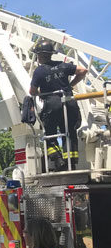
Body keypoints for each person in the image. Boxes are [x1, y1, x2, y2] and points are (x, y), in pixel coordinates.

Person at [30, 39, 87, 171]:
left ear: (39, 55)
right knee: (69, 132)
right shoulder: (63, 65)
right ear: (51, 54)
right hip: (69, 102)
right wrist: (71, 85)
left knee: (49, 132)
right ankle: (71, 163)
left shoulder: (39, 71)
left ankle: (58, 160)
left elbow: (32, 91)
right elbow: (83, 70)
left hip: (52, 104)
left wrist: (43, 93)